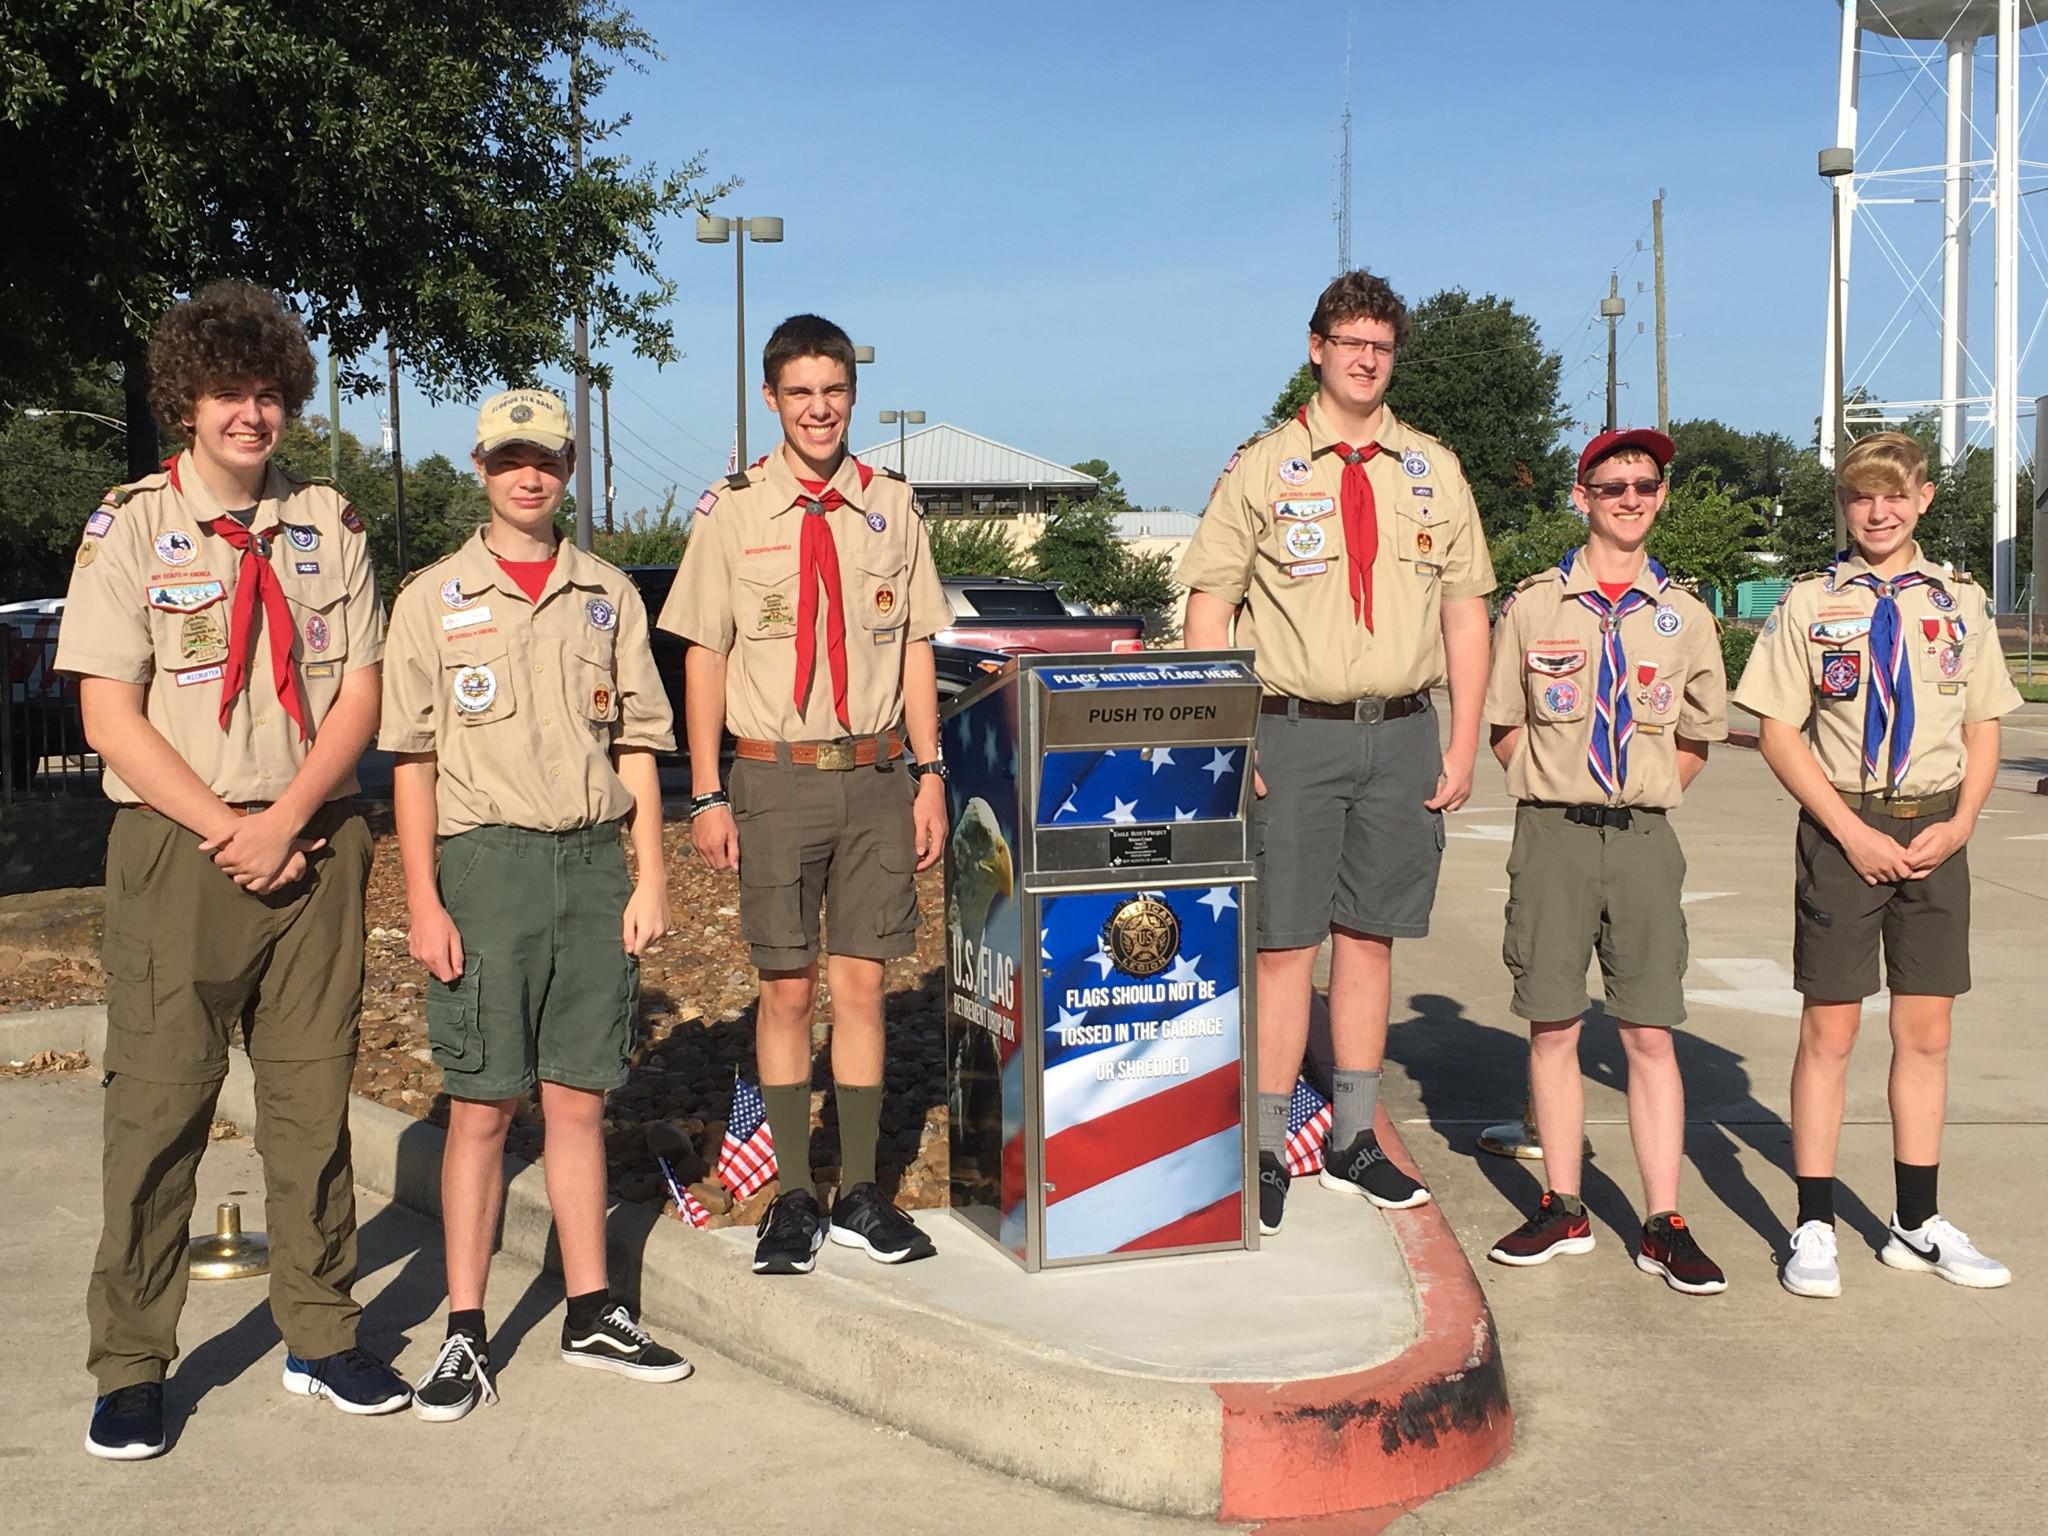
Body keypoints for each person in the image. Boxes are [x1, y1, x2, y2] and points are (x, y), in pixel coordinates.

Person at [57, 280, 409, 1460]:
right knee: (159, 1107)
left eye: (268, 394)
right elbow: (109, 713)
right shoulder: (129, 529)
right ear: (186, 402)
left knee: (312, 1101)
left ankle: (320, 1330)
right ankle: (132, 1364)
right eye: (228, 393)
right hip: (180, 846)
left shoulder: (331, 524)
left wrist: (293, 815)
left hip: (315, 834)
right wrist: (229, 827)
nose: (250, 415)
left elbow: (359, 687)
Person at [380, 388, 690, 1419]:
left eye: (546, 460)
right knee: (480, 1105)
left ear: (566, 471)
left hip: (592, 863)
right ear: (479, 467)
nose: (528, 476)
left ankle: (590, 1306)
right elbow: (413, 763)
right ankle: (466, 1331)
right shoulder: (430, 597)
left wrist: (650, 875)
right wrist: (423, 900)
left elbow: (640, 745)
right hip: (486, 868)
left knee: (577, 1098)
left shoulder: (605, 593)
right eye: (510, 458)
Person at [1179, 269, 1495, 1234]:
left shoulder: (1433, 468)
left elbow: (1465, 609)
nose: (1367, 359)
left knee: (1369, 940)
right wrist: (1231, 732)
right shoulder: (1263, 466)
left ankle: (1353, 1139)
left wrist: (1466, 737)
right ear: (1316, 347)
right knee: (1284, 946)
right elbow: (1209, 604)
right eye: (1350, 341)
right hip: (1291, 732)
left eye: (1382, 345)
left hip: (1402, 733)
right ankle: (1268, 1146)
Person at [658, 314, 949, 1276]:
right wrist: (704, 793)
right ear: (772, 399)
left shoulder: (891, 506)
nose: (818, 409)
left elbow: (914, 644)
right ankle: (792, 1193)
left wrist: (929, 771)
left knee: (861, 984)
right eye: (800, 393)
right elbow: (704, 654)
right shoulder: (733, 512)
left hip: (873, 775)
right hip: (772, 778)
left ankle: (861, 1188)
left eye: (833, 391)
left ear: (850, 396)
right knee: (784, 990)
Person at [1734, 431, 2021, 1299]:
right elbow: (1780, 732)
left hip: (1935, 827)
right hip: (1843, 825)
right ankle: (1813, 1222)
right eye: (1861, 496)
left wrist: (1963, 822)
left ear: (1923, 499)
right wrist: (1846, 830)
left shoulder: (1959, 603)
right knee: (1831, 1030)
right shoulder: (1810, 603)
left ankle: (1916, 1222)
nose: (1879, 511)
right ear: (1843, 505)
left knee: (1926, 1033)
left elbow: (1983, 724)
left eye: (1894, 495)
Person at [1480, 429, 1729, 1295]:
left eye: (1645, 483)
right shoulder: (1534, 606)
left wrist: (1646, 787)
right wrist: (1558, 785)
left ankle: (1664, 1220)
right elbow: (1505, 723)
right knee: (1553, 1023)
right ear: (1580, 495)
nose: (1630, 496)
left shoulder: (1685, 615)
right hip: (1552, 834)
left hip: (1644, 841)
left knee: (1650, 1030)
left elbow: (1699, 732)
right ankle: (1564, 1203)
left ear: (1662, 495)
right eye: (1612, 483)